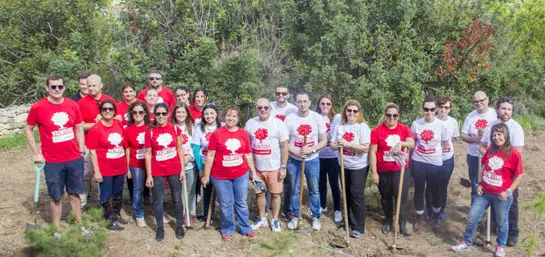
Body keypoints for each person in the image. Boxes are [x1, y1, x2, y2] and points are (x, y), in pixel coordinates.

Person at [24, 73, 91, 236]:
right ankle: (56, 229)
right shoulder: (38, 107)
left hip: (74, 157)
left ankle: (79, 225)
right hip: (52, 161)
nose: (57, 89)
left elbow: (78, 127)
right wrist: (36, 152)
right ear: (47, 88)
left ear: (64, 87)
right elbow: (28, 128)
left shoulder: (72, 105)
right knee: (56, 196)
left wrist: (81, 149)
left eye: (60, 86)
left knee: (75, 193)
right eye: (53, 87)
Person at [452, 123, 524, 257]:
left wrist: (508, 191)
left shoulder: (514, 154)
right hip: (484, 193)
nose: (496, 138)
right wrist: (479, 183)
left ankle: (500, 247)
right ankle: (467, 243)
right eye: (494, 135)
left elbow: (519, 175)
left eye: (499, 134)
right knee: (472, 217)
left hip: (501, 195)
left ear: (506, 135)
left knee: (502, 222)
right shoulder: (491, 149)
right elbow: (484, 166)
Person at [201, 105, 258, 240]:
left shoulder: (243, 134)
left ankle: (245, 227)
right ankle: (227, 229)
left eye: (234, 116)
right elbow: (210, 156)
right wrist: (206, 175)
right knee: (226, 203)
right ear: (223, 116)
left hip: (241, 174)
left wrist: (253, 171)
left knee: (241, 202)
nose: (231, 118)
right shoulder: (217, 134)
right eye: (228, 115)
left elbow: (248, 154)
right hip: (221, 176)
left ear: (238, 118)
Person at [479, 97, 525, 246]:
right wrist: (490, 158)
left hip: (508, 173)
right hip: (491, 171)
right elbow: (483, 145)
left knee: (510, 202)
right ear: (497, 109)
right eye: (503, 108)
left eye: (509, 109)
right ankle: (493, 227)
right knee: (491, 199)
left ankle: (512, 232)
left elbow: (518, 152)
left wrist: (501, 162)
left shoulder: (516, 128)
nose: (506, 112)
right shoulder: (491, 126)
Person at [284, 92, 327, 231]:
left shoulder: (317, 118)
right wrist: (294, 151)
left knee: (314, 189)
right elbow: (285, 142)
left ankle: (316, 217)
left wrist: (312, 150)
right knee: (295, 189)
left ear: (309, 102)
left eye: (305, 101)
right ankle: (295, 216)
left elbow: (323, 141)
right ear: (295, 103)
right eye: (299, 101)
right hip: (294, 160)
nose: (302, 104)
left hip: (312, 160)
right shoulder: (290, 119)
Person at [369, 103, 414, 236]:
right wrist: (375, 172)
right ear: (385, 115)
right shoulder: (376, 131)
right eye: (389, 115)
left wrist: (401, 143)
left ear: (398, 116)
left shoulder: (404, 129)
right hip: (383, 170)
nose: (392, 118)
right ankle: (388, 221)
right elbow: (372, 152)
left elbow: (411, 143)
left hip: (400, 170)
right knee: (386, 197)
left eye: (395, 115)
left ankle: (402, 224)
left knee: (401, 197)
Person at [245, 98, 289, 232]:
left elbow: (285, 146)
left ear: (270, 109)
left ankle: (275, 219)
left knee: (276, 194)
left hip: (274, 168)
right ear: (256, 109)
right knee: (259, 193)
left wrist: (283, 167)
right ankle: (262, 218)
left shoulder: (278, 123)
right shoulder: (250, 123)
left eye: (265, 107)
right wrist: (250, 169)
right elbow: (246, 145)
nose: (262, 110)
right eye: (259, 108)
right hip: (257, 169)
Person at [145, 103, 186, 241]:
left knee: (177, 199)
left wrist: (182, 169)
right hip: (157, 170)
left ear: (168, 114)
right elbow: (148, 154)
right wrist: (149, 174)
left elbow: (180, 150)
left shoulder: (175, 129)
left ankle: (179, 226)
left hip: (174, 168)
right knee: (158, 200)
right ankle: (160, 228)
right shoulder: (150, 132)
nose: (161, 116)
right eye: (158, 114)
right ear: (154, 116)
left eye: (163, 113)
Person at [330, 99, 371, 238]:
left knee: (356, 194)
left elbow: (365, 147)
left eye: (355, 111)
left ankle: (358, 227)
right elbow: (332, 144)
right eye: (349, 111)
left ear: (359, 112)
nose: (352, 113)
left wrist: (348, 144)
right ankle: (348, 221)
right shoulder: (340, 126)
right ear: (345, 112)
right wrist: (337, 146)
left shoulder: (363, 127)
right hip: (343, 164)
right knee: (346, 193)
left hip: (358, 166)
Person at [410, 96, 450, 232]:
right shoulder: (416, 124)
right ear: (422, 109)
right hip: (419, 160)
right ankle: (420, 216)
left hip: (435, 162)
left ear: (436, 109)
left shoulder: (441, 125)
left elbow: (445, 144)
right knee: (419, 189)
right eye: (426, 109)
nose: (429, 112)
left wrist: (434, 153)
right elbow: (413, 141)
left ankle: (436, 215)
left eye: (432, 109)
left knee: (435, 190)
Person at [87, 100, 128, 231]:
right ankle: (108, 219)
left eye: (110, 109)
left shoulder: (118, 124)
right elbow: (92, 151)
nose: (108, 111)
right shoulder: (96, 128)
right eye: (105, 109)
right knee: (106, 193)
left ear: (115, 111)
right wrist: (97, 171)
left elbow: (124, 144)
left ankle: (116, 214)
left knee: (118, 191)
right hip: (105, 166)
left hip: (119, 165)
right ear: (101, 111)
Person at [77, 74, 117, 209]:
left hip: (108, 146)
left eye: (94, 85)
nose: (91, 88)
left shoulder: (109, 100)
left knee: (108, 174)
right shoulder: (81, 103)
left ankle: (107, 202)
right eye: (89, 86)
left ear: (101, 85)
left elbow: (117, 120)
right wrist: (96, 124)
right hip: (89, 144)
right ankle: (82, 203)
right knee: (86, 174)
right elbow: (79, 126)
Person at [426, 96, 459, 222]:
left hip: (447, 159)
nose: (443, 110)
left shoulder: (453, 122)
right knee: (430, 186)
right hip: (431, 159)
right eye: (440, 107)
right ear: (436, 108)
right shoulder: (430, 121)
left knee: (442, 186)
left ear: (449, 109)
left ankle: (441, 211)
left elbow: (454, 139)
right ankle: (429, 210)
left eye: (446, 107)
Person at [461, 91, 497, 204]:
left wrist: (486, 135)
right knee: (476, 184)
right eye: (476, 101)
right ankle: (475, 212)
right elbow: (463, 135)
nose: (479, 103)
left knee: (491, 183)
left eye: (481, 100)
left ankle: (489, 214)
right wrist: (475, 139)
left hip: (492, 156)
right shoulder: (470, 116)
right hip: (474, 156)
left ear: (488, 100)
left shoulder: (495, 114)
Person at [191, 103, 222, 220]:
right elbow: (196, 149)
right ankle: (207, 215)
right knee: (207, 190)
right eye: (206, 114)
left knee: (221, 191)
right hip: (205, 163)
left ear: (216, 114)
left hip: (220, 165)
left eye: (211, 113)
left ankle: (223, 215)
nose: (209, 116)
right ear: (203, 115)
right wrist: (200, 168)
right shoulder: (199, 129)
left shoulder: (222, 127)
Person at [316, 93, 342, 223]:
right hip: (319, 156)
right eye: (323, 103)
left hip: (332, 156)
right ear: (319, 104)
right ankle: (322, 205)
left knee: (334, 184)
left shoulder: (337, 118)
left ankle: (337, 209)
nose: (325, 106)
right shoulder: (315, 117)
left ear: (332, 105)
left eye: (328, 104)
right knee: (321, 183)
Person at [124, 101, 151, 227]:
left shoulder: (150, 127)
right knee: (138, 189)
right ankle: (139, 214)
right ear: (131, 114)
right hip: (136, 164)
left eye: (140, 112)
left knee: (156, 189)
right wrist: (128, 168)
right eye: (135, 112)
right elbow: (127, 149)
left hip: (151, 163)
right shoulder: (128, 130)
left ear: (145, 113)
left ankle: (159, 213)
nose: (138, 114)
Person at [171, 102, 198, 225]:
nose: (180, 114)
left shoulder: (193, 127)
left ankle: (191, 212)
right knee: (180, 190)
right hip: (176, 164)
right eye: (178, 112)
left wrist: (190, 157)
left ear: (187, 113)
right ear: (174, 114)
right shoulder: (171, 127)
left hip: (190, 163)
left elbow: (197, 145)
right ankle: (182, 213)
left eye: (183, 112)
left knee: (190, 190)